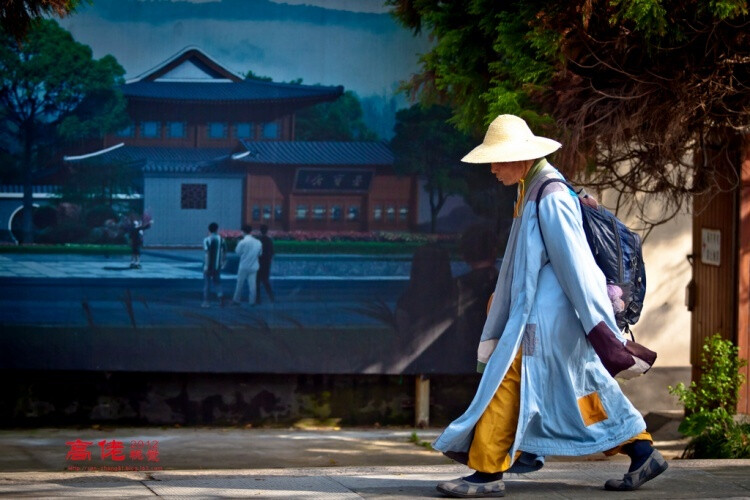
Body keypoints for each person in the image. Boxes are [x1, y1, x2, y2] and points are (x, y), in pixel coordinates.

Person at [434, 115, 665, 498]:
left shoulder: (550, 195)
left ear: (521, 158)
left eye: (497, 159)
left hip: (548, 321)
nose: (492, 168)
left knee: (510, 382)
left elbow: (576, 267)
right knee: (582, 391)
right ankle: (642, 451)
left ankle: (489, 472)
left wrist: (600, 329)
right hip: (543, 318)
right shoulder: (533, 188)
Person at [232, 225, 263, 306]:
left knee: (239, 284)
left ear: (243, 232)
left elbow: (237, 252)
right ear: (250, 231)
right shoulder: (258, 242)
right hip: (254, 266)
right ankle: (252, 301)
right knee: (253, 285)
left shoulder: (242, 242)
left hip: (244, 266)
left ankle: (236, 300)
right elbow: (260, 254)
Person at [202, 222, 227, 308]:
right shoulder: (221, 239)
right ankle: (221, 298)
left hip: (208, 265)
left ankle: (206, 302)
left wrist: (206, 266)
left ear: (209, 230)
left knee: (207, 284)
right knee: (217, 282)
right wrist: (223, 262)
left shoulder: (207, 240)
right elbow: (224, 252)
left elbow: (207, 253)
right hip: (217, 266)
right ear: (217, 229)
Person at [255, 224, 275, 304]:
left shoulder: (258, 240)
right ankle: (271, 297)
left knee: (257, 281)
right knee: (265, 280)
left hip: (259, 263)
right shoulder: (269, 240)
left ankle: (258, 299)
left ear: (260, 230)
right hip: (267, 263)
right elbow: (272, 252)